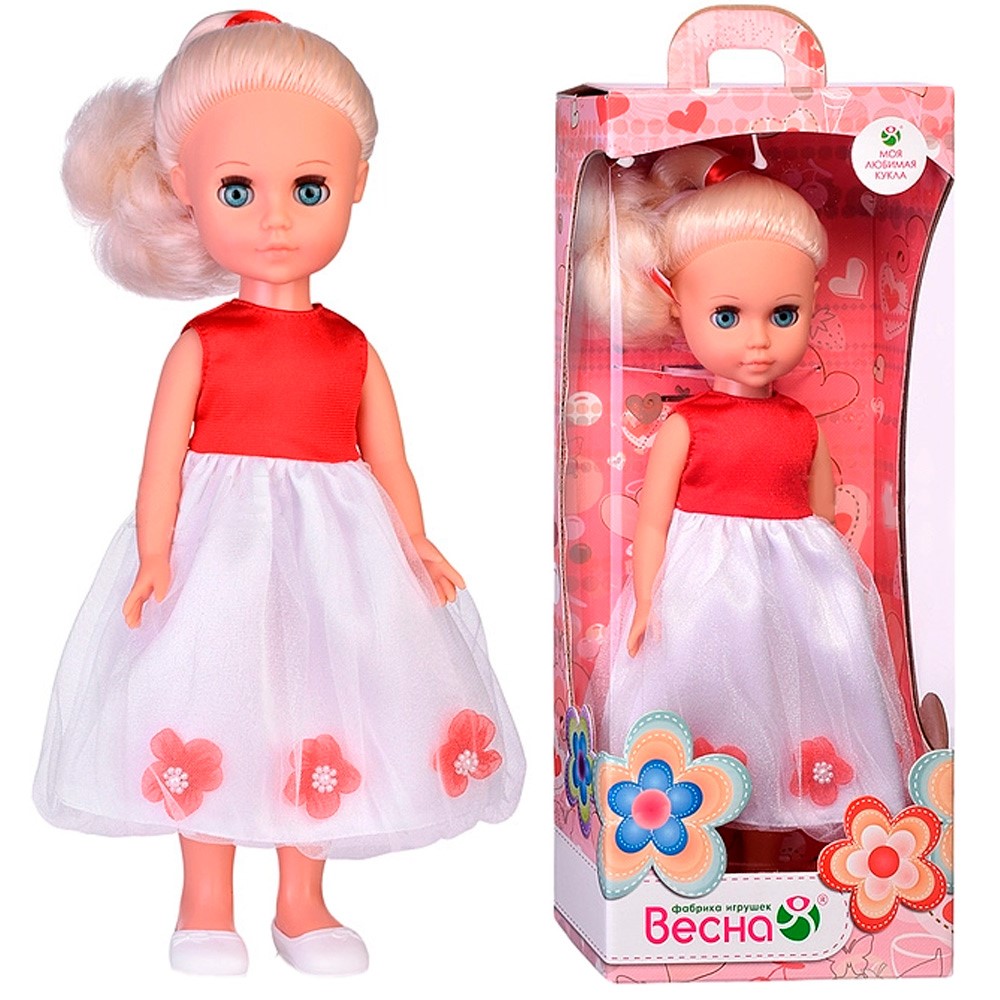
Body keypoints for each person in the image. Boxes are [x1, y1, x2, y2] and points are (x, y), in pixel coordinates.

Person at [34, 10, 523, 975]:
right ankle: (205, 903)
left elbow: (390, 460)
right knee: (208, 714)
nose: (276, 219)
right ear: (184, 191)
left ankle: (302, 903)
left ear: (358, 184)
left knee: (319, 714)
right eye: (237, 189)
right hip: (216, 553)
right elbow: (162, 461)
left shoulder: (352, 345)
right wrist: (157, 554)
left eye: (310, 188)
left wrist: (417, 543)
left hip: (336, 558)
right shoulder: (203, 343)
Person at [583, 145, 911, 864]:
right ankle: (704, 844)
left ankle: (771, 855)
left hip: (793, 582)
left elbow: (819, 516)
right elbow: (653, 521)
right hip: (705, 586)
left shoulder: (800, 423)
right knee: (710, 711)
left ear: (813, 302)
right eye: (727, 315)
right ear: (677, 303)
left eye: (783, 314)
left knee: (791, 716)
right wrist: (646, 600)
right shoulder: (687, 424)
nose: (759, 340)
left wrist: (833, 602)